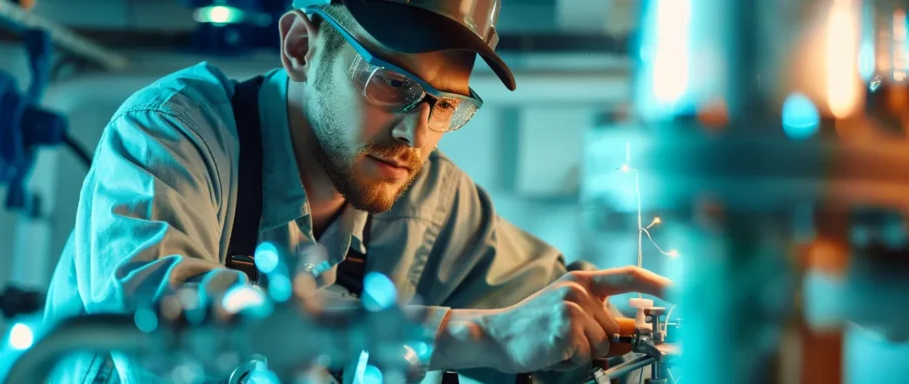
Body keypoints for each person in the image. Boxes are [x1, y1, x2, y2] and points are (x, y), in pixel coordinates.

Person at [43, 0, 673, 382]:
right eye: (392, 84)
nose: (416, 133)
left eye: (444, 103)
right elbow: (152, 328)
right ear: (299, 46)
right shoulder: (172, 134)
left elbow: (549, 310)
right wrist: (476, 336)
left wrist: (636, 328)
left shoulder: (432, 199)